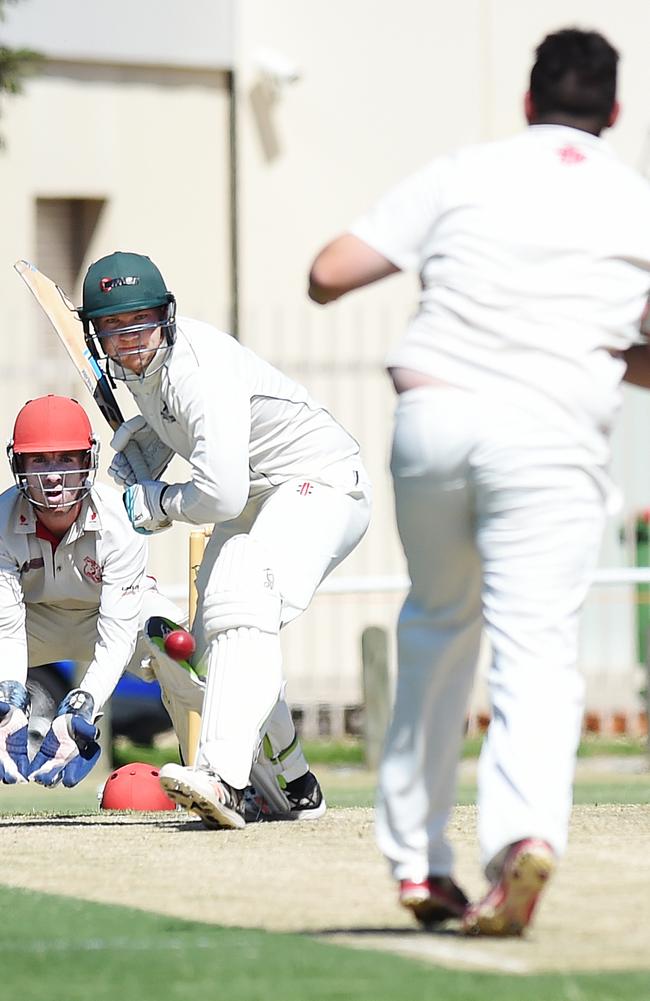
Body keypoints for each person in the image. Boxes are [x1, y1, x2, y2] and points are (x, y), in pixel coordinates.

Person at [307, 28, 650, 935]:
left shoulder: (465, 171)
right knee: (537, 645)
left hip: (436, 415)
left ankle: (418, 864)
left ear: (529, 102)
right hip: (551, 437)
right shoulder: (636, 203)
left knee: (436, 624)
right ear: (614, 112)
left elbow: (328, 272)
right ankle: (523, 837)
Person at [78, 251, 371, 830]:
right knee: (213, 652)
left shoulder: (197, 371)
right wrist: (151, 446)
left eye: (140, 322)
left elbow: (220, 496)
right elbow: (197, 436)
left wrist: (158, 502)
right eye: (113, 328)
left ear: (167, 316)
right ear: (97, 336)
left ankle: (221, 778)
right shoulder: (144, 374)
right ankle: (293, 786)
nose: (129, 339)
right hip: (259, 494)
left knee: (241, 589)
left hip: (319, 482)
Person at [0, 394, 190, 787]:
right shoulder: (1, 521)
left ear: (87, 460)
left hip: (106, 618)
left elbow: (117, 634)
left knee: (183, 652)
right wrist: (10, 702)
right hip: (33, 622)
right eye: (40, 461)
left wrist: (82, 706)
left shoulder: (120, 521)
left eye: (66, 459)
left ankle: (212, 775)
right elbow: (7, 628)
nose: (53, 476)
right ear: (19, 465)